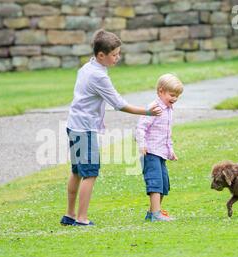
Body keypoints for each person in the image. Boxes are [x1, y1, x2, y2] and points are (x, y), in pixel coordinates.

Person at [60, 29, 162, 227]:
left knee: (77, 171)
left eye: (118, 53)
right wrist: (147, 112)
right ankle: (81, 218)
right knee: (90, 173)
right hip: (84, 129)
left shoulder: (86, 68)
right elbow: (119, 104)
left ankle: (70, 215)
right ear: (101, 55)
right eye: (114, 55)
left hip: (74, 125)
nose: (118, 58)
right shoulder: (99, 76)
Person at [135, 73, 183, 222]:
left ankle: (152, 213)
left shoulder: (168, 109)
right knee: (155, 182)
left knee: (163, 183)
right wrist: (142, 145)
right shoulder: (154, 108)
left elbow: (166, 134)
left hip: (161, 153)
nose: (174, 99)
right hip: (150, 152)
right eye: (172, 95)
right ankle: (156, 214)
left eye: (177, 96)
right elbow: (141, 128)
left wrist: (171, 151)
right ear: (161, 91)